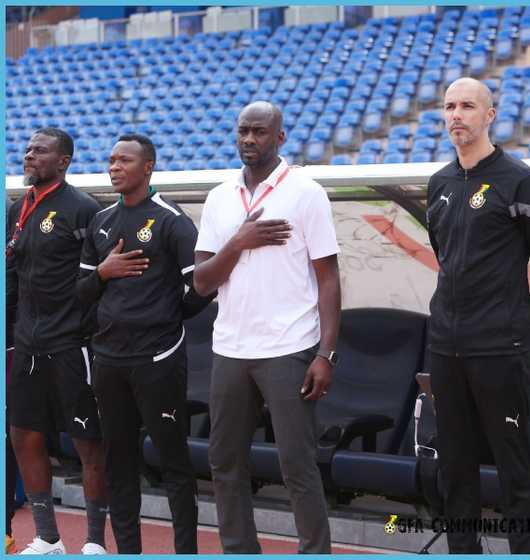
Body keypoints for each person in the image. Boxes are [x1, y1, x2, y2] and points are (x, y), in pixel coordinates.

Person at [193, 101, 341, 554]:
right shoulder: (219, 197)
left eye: (259, 132)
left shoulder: (306, 192)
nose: (249, 140)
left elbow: (329, 278)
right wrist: (239, 242)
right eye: (243, 131)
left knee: (298, 465)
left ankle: (314, 552)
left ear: (279, 137)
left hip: (290, 348)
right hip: (231, 350)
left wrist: (325, 353)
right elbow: (201, 282)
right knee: (225, 464)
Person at [426, 77, 530, 554]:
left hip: (501, 348)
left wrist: (522, 320)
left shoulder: (519, 180)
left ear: (490, 116)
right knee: (454, 468)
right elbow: (445, 256)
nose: (456, 114)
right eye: (449, 107)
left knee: (513, 469)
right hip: (446, 347)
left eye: (466, 106)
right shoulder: (438, 184)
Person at [76, 134, 211, 553]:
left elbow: (202, 287)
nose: (114, 167)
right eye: (111, 160)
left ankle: (184, 550)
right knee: (119, 463)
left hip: (158, 358)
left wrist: (168, 318)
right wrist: (104, 272)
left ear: (148, 167)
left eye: (124, 161)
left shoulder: (171, 220)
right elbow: (79, 293)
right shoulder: (100, 221)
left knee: (173, 463)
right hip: (109, 361)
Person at [5, 128, 109, 555]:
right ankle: (48, 537)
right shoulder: (18, 208)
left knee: (89, 442)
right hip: (27, 345)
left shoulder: (84, 209)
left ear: (63, 161)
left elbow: (101, 278)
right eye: (29, 150)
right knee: (23, 434)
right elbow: (12, 277)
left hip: (72, 345)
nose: (30, 156)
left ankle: (94, 542)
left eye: (40, 151)